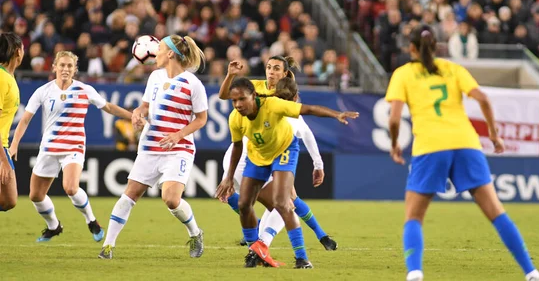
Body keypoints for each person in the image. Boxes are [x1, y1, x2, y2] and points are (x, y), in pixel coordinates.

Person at [385, 25, 539, 281]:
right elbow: (482, 98)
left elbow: (394, 120)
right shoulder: (453, 69)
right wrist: (493, 135)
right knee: (496, 212)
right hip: (466, 144)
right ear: (437, 46)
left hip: (430, 146)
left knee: (413, 217)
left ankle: (415, 273)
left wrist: (395, 144)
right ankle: (531, 272)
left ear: (410, 48)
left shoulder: (403, 74)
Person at [215, 77, 359, 269]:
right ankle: (256, 251)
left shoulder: (273, 105)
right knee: (244, 204)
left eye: (242, 99)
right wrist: (228, 177)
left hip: (284, 152)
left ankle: (302, 259)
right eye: (234, 101)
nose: (238, 104)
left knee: (283, 202)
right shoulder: (235, 117)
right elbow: (237, 147)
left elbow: (308, 110)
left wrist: (336, 114)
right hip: (258, 156)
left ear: (254, 95)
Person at [98, 35, 209, 260]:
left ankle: (195, 233)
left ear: (170, 54)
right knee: (129, 194)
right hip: (150, 146)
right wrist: (138, 114)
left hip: (179, 149)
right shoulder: (155, 77)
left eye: (159, 48)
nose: (155, 52)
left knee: (170, 199)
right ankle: (108, 247)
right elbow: (145, 106)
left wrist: (179, 134)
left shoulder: (193, 84)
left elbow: (201, 119)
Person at [10, 51, 133, 242]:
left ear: (75, 69)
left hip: (73, 146)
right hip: (49, 147)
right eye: (62, 65)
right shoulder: (43, 91)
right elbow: (25, 120)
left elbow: (108, 107)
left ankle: (91, 221)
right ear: (54, 67)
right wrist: (14, 145)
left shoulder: (85, 90)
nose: (65, 69)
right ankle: (54, 226)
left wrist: (131, 116)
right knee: (35, 195)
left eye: (69, 66)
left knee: (70, 187)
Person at [219, 56, 337, 250]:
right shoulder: (255, 89)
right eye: (268, 67)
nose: (271, 72)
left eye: (276, 69)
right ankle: (263, 242)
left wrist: (318, 164)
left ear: (284, 74)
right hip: (250, 155)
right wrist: (230, 75)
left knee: (278, 201)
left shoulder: (283, 104)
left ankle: (257, 236)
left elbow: (306, 132)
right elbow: (226, 96)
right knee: (285, 203)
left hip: (258, 155)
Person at [0, 33, 24, 212]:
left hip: (4, 146)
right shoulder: (2, 79)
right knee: (9, 199)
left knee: (8, 200)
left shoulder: (8, 77)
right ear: (17, 51)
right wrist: (4, 160)